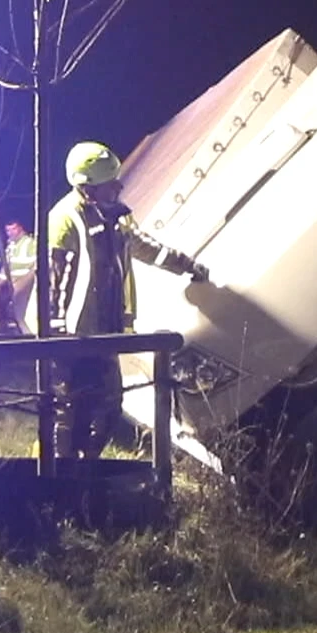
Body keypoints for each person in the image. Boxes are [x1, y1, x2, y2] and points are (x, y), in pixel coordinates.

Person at [46, 141, 209, 459]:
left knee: (109, 405)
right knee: (68, 411)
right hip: (71, 338)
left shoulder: (117, 218)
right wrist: (57, 339)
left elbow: (145, 247)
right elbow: (55, 285)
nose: (118, 187)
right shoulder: (64, 220)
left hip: (105, 334)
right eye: (110, 183)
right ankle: (60, 481)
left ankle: (85, 465)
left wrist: (185, 265)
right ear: (87, 187)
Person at [0, 219, 38, 334]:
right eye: (7, 230)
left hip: (25, 282)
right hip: (10, 282)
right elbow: (6, 267)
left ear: (20, 228)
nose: (10, 233)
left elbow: (35, 265)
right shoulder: (10, 247)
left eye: (13, 229)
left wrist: (23, 280)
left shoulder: (31, 243)